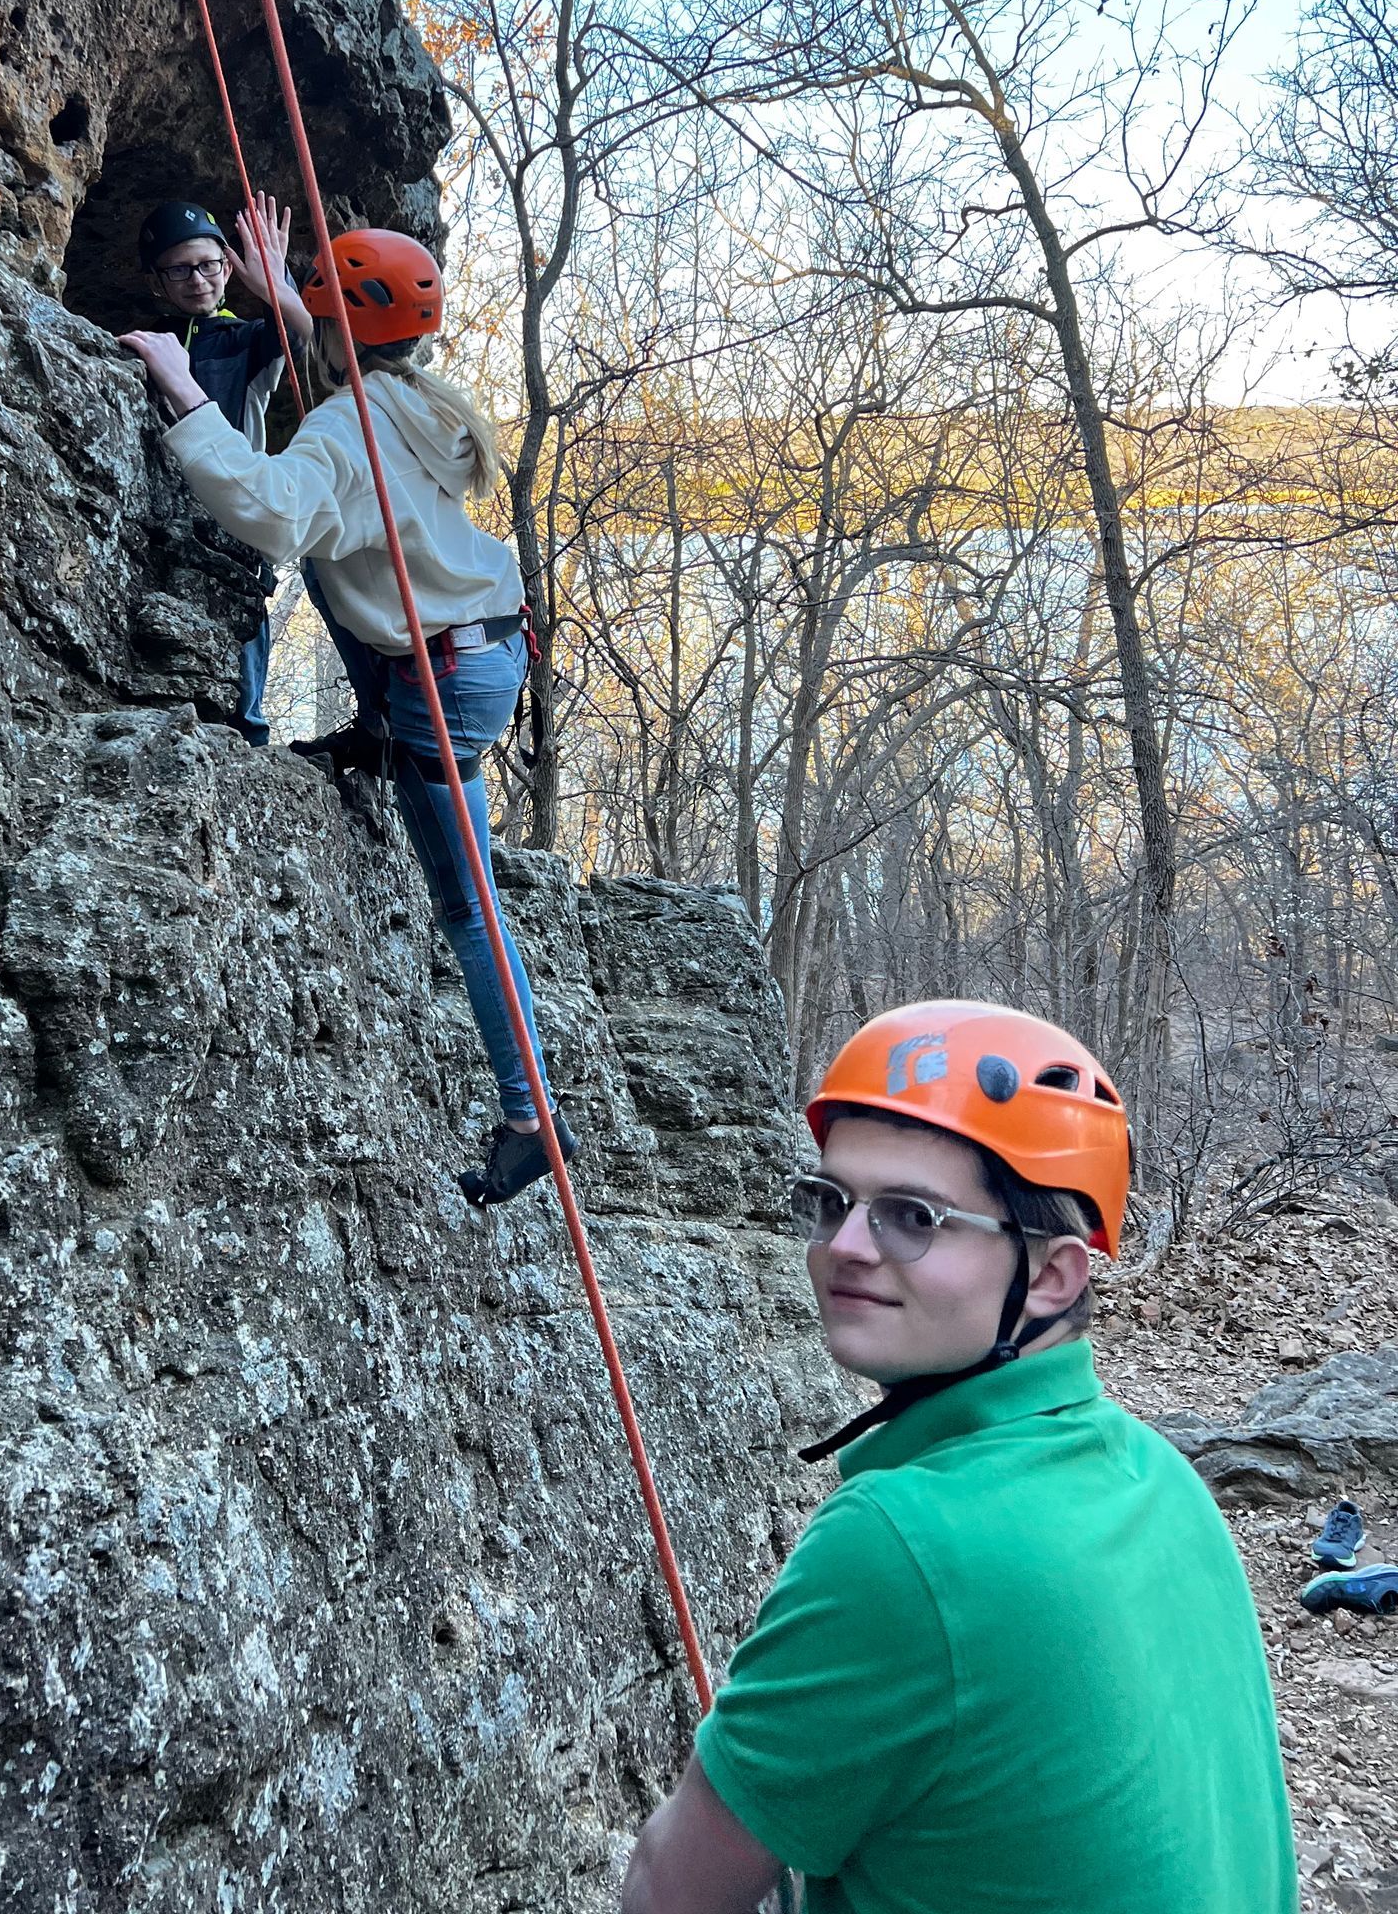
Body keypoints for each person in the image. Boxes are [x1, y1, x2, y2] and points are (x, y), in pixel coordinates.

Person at [622, 999, 1296, 1914]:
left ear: (1053, 1274)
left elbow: (668, 1895)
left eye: (913, 1216)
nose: (844, 1248)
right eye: (831, 1201)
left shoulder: (900, 1545)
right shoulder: (1161, 1478)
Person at [119, 227, 574, 1208]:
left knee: (469, 905)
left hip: (438, 684)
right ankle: (382, 736)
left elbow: (275, 508)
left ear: (333, 327)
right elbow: (339, 425)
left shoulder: (347, 431)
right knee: (343, 565)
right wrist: (288, 298)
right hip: (485, 649)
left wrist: (180, 385)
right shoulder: (419, 403)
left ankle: (532, 1116)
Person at [136, 194, 311, 746]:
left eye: (210, 264)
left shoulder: (247, 340)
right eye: (180, 269)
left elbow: (308, 339)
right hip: (158, 507)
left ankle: (249, 732)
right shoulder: (146, 342)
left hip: (230, 509)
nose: (198, 279)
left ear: (227, 267)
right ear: (156, 280)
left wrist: (274, 287)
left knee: (243, 619)